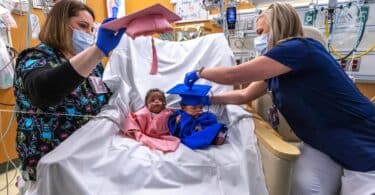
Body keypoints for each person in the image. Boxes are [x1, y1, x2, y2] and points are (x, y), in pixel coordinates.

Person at [184, 2, 375, 195]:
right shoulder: (277, 71)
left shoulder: (299, 49)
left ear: (277, 27)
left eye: (261, 32)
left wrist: (201, 72)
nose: (258, 39)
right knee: (304, 189)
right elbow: (244, 95)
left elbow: (234, 75)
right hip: (321, 144)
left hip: (360, 144)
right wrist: (208, 99)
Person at [14, 0, 125, 182]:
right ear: (60, 24)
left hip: (90, 159)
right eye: (82, 26)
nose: (89, 35)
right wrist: (98, 50)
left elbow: (106, 100)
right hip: (52, 166)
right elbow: (43, 92)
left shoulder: (94, 66)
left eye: (91, 30)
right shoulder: (35, 58)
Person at [167, 83, 227, 150]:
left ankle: (216, 137)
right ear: (183, 108)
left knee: (216, 127)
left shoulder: (205, 115)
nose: (198, 110)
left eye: (200, 107)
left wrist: (202, 128)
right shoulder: (179, 115)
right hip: (190, 135)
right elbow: (175, 131)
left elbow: (212, 122)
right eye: (194, 108)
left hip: (202, 132)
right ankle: (212, 139)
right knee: (189, 139)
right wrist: (177, 123)